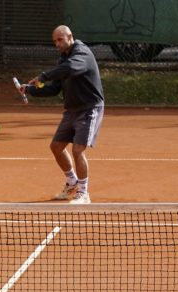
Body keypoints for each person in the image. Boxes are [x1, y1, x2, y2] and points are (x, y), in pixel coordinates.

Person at [17, 25, 105, 204]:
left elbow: (71, 68)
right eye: (54, 41)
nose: (57, 44)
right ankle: (72, 183)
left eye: (60, 40)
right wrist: (30, 90)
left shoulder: (82, 53)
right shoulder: (63, 59)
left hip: (89, 109)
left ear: (70, 37)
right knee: (56, 147)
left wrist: (43, 76)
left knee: (78, 150)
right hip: (72, 110)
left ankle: (83, 193)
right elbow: (55, 89)